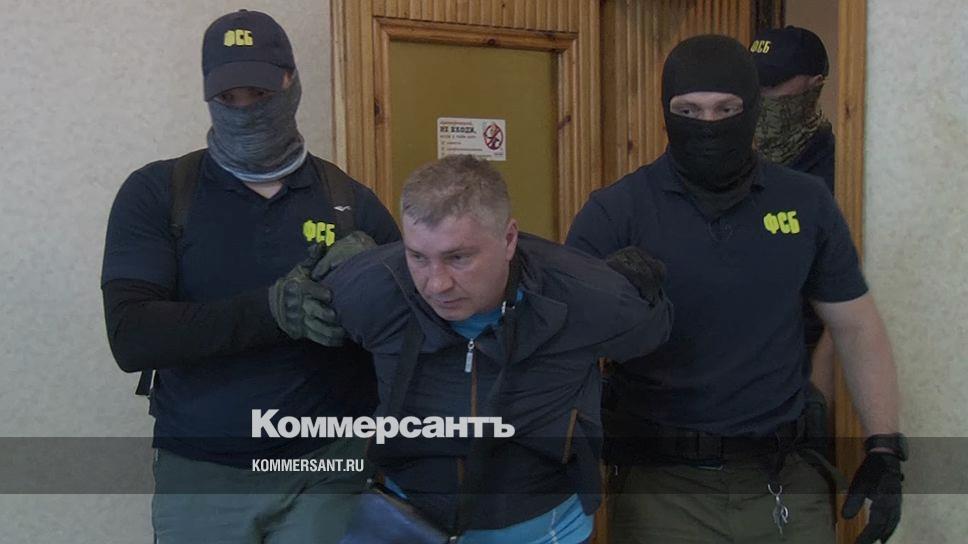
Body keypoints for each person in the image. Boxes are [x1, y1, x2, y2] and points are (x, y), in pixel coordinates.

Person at [566, 35, 905, 544]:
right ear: (666, 111)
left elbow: (856, 326)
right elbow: (562, 341)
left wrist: (884, 447)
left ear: (752, 108)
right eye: (689, 110)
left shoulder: (806, 201)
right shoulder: (616, 211)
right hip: (662, 489)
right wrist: (610, 302)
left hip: (785, 479)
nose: (708, 124)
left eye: (726, 109)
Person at [101, 10, 400, 543]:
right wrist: (272, 311)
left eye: (259, 93)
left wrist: (378, 277)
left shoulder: (351, 202)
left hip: (326, 467)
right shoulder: (158, 193)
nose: (244, 108)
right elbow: (132, 336)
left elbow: (409, 334)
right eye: (228, 95)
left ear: (292, 84)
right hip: (201, 473)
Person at [311, 154, 673, 543]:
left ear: (509, 239)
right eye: (418, 257)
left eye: (458, 258)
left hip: (546, 529)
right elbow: (296, 326)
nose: (436, 284)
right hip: (409, 523)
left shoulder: (584, 293)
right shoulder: (369, 286)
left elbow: (651, 333)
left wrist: (646, 294)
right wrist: (303, 283)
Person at [751, 25, 838, 405]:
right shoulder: (738, 163)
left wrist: (818, 394)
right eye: (753, 85)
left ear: (814, 86)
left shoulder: (839, 173)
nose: (760, 97)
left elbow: (851, 292)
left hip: (803, 361)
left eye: (772, 86)